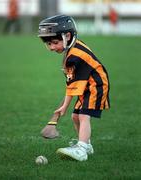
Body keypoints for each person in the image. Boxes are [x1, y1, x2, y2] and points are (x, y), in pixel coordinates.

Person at [38, 15, 110, 161]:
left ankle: (81, 150)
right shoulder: (71, 50)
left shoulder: (75, 56)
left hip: (96, 86)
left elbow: (73, 87)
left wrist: (64, 105)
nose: (51, 47)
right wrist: (65, 106)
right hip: (86, 86)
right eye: (49, 44)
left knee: (83, 116)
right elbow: (72, 83)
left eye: (55, 43)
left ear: (68, 36)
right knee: (75, 116)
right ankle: (86, 144)